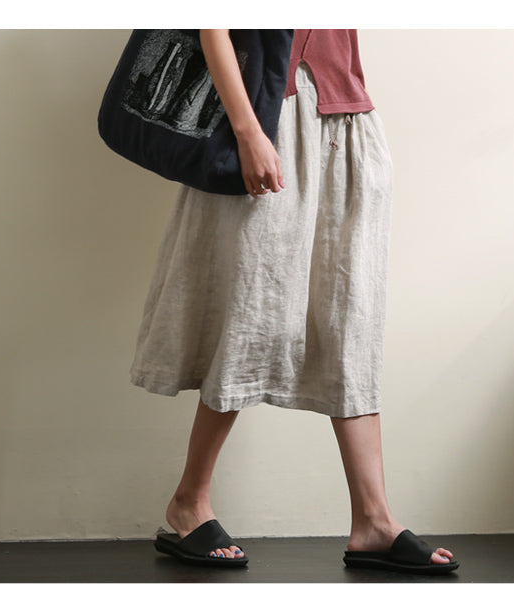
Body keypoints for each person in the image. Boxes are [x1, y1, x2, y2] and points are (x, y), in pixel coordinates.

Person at [130, 29, 459, 574]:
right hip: (270, 120)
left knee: (350, 324)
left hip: (349, 120)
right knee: (253, 318)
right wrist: (248, 132)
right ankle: (189, 501)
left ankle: (374, 520)